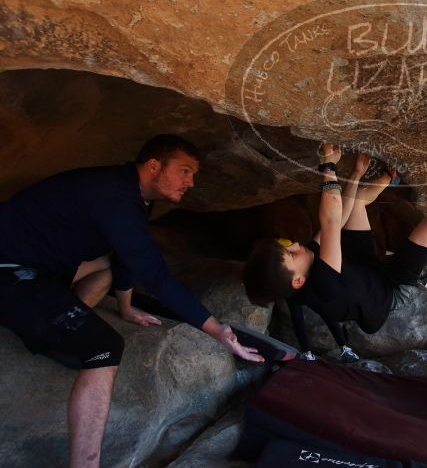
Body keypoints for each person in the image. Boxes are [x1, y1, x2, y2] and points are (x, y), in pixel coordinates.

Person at [0, 134, 264, 468]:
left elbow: (128, 257)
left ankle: (64, 324)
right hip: (11, 269)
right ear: (154, 166)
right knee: (105, 347)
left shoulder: (135, 195)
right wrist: (217, 331)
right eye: (184, 171)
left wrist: (125, 307)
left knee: (106, 268)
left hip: (43, 263)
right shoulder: (112, 196)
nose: (191, 182)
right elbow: (156, 276)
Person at [244, 137, 427, 357]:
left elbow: (338, 221)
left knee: (358, 204)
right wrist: (328, 165)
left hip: (364, 268)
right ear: (298, 281)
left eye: (284, 245)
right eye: (290, 253)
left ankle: (388, 177)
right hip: (391, 289)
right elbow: (330, 216)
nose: (293, 244)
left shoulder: (306, 267)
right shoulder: (323, 285)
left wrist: (357, 173)